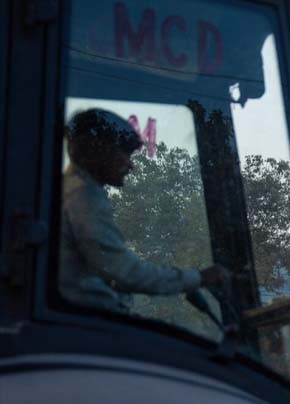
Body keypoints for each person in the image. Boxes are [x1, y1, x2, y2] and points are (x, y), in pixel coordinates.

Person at [59, 108, 227, 313]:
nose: (131, 166)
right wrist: (198, 278)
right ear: (100, 151)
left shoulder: (72, 190)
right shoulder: (84, 197)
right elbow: (126, 273)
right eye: (125, 154)